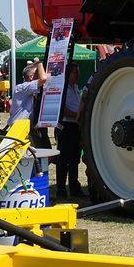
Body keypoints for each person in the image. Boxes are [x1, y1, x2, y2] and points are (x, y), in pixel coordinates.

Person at [54, 63, 83, 198]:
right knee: (63, 160)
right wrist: (77, 115)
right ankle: (61, 190)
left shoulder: (76, 87)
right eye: (74, 73)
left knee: (74, 159)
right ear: (67, 74)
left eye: (78, 73)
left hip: (75, 126)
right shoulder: (63, 88)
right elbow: (62, 110)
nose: (77, 75)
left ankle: (74, 188)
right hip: (65, 126)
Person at [7, 62, 48, 127]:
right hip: (18, 126)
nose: (40, 74)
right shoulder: (23, 87)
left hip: (26, 126)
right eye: (38, 74)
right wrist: (39, 63)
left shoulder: (31, 89)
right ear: (31, 77)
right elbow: (43, 79)